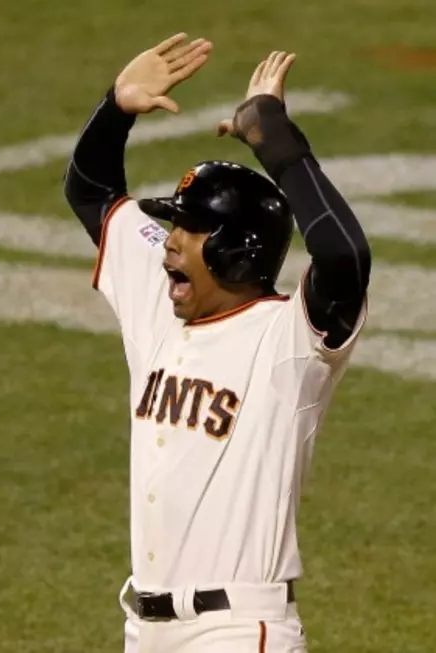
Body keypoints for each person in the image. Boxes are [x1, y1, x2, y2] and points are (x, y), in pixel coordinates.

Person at [63, 37, 371, 652]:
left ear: (238, 252)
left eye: (192, 228)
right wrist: (116, 108)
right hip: (143, 629)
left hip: (238, 630)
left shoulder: (293, 342)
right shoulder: (160, 299)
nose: (172, 242)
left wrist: (274, 139)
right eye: (174, 224)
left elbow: (345, 253)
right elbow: (91, 192)